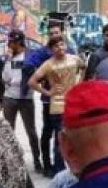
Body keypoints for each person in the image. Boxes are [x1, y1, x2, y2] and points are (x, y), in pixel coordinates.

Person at [29, 35, 84, 176]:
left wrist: (79, 83)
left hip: (73, 103)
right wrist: (47, 92)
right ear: (51, 49)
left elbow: (84, 68)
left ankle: (76, 168)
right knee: (60, 139)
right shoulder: (48, 64)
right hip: (57, 105)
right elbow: (32, 82)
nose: (60, 48)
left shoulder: (75, 59)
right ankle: (59, 170)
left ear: (66, 45)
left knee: (76, 136)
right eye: (56, 46)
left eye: (62, 44)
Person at [1, 30, 40, 171]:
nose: (8, 44)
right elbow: (5, 77)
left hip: (26, 98)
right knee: (8, 131)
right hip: (9, 97)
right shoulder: (9, 57)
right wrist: (7, 60)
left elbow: (38, 74)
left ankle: (37, 160)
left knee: (31, 131)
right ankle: (9, 161)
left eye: (11, 41)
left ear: (18, 42)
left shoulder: (31, 56)